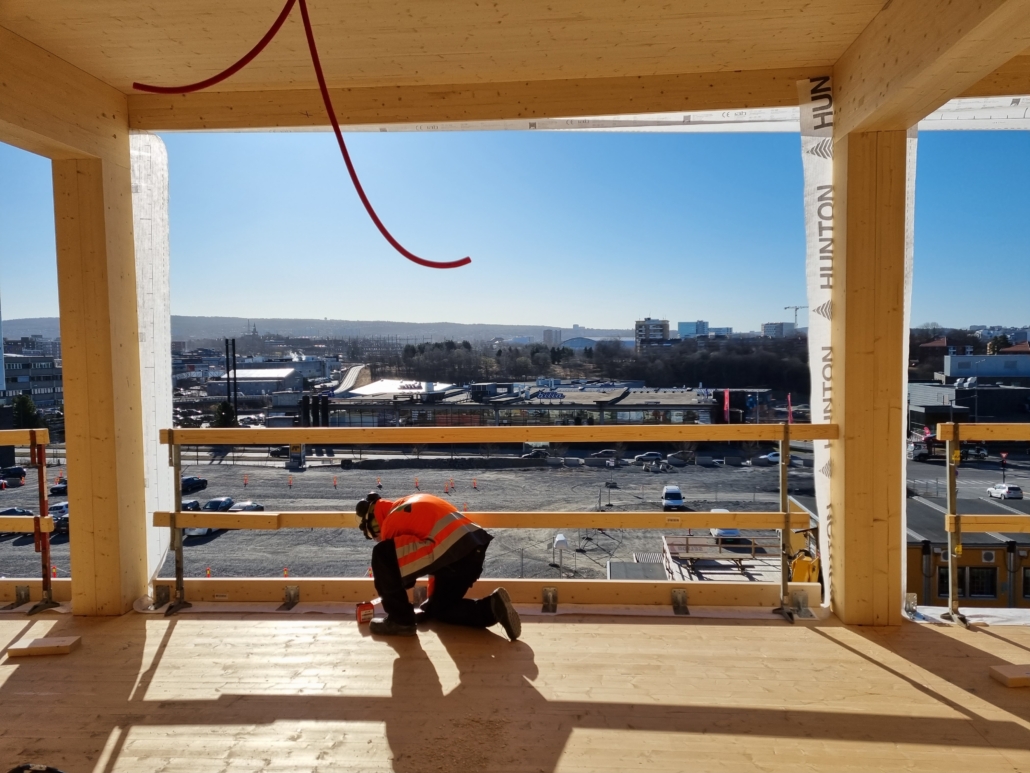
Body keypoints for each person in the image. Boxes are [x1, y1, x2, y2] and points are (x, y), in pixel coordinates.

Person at [355, 491, 521, 639]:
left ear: (373, 522)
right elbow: (431, 556)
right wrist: (431, 602)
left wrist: (395, 594)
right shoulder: (412, 501)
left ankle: (400, 622)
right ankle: (492, 607)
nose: (377, 537)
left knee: (382, 555)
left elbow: (401, 576)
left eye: (373, 534)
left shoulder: (390, 523)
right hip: (471, 553)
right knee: (441, 609)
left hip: (452, 554)